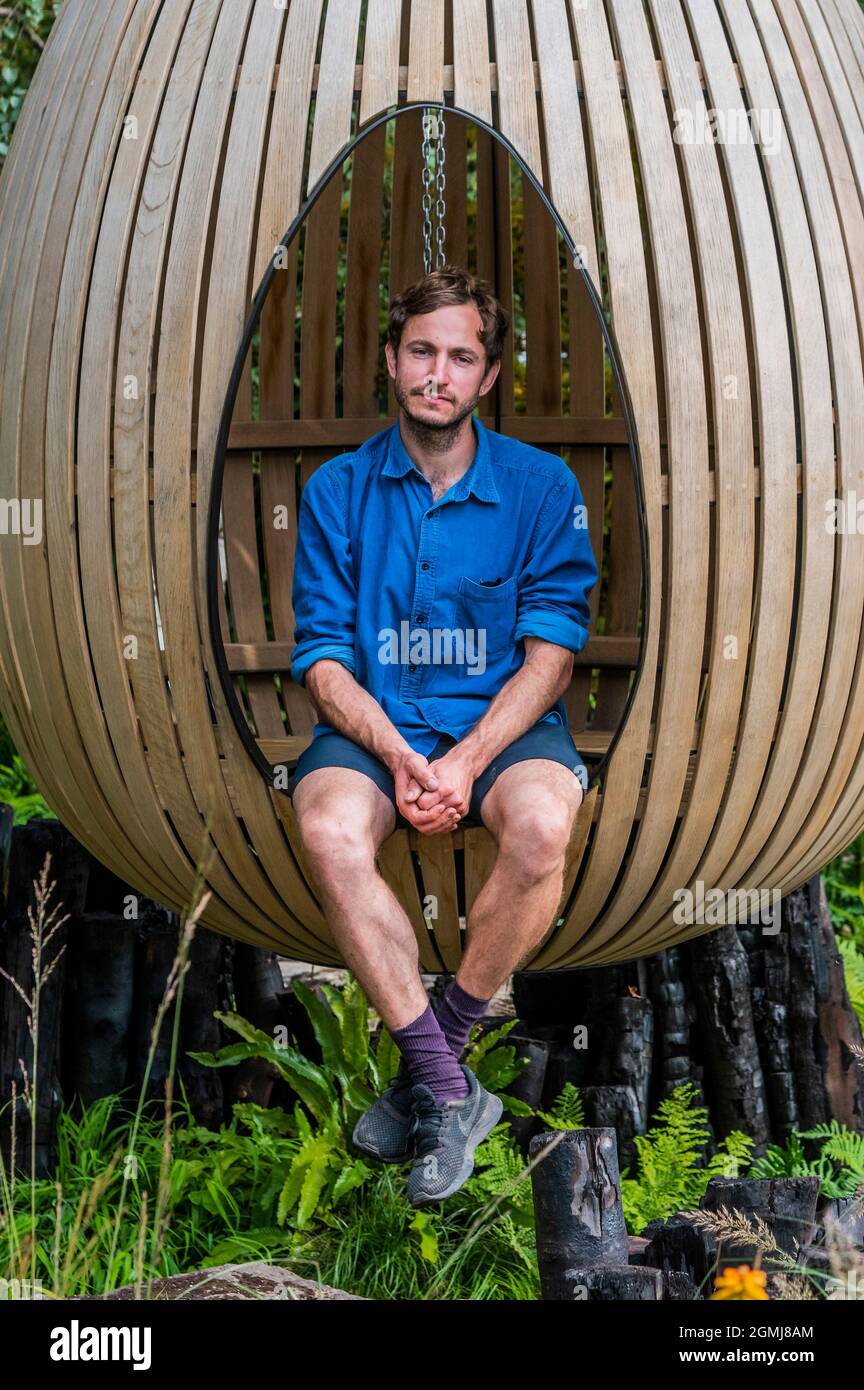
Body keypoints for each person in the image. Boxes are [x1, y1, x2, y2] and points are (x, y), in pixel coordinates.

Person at [287, 264, 599, 1206]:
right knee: (329, 830)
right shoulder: (338, 489)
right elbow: (323, 656)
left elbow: (551, 651)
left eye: (461, 356)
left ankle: (431, 1066)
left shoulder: (541, 488)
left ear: (488, 377)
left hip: (502, 731)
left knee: (544, 825)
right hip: (378, 728)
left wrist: (466, 760)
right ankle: (451, 1086)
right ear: (391, 360)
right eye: (421, 351)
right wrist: (393, 752)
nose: (438, 373)